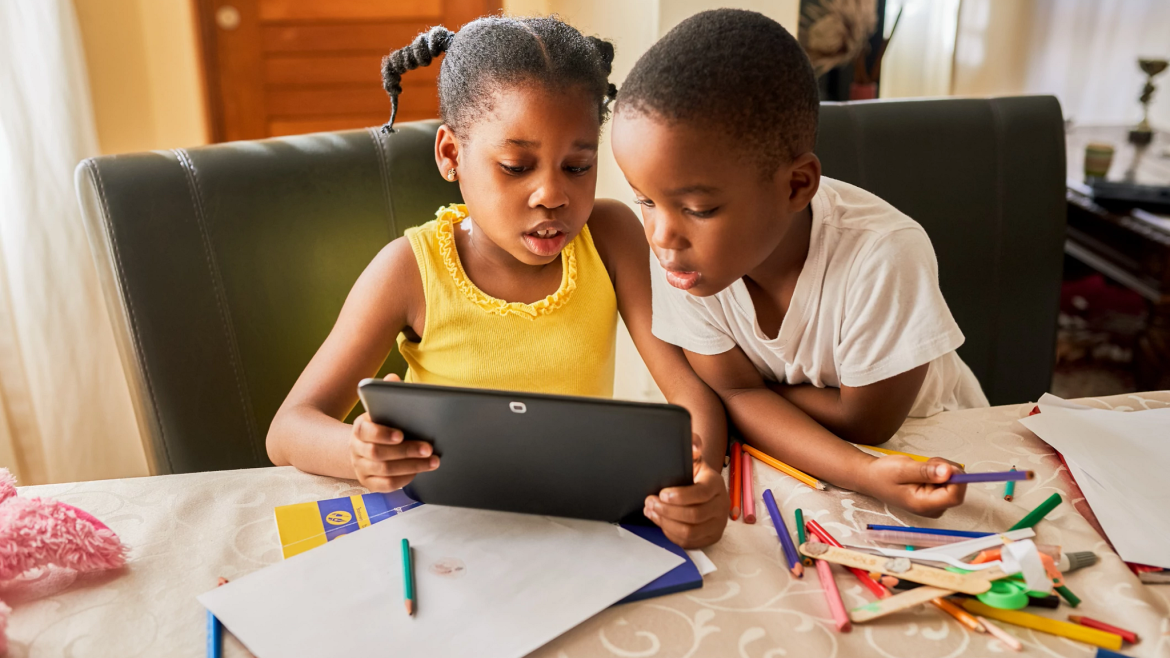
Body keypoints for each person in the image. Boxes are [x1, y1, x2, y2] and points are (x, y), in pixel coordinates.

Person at [266, 17, 728, 547]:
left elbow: (689, 393)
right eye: (515, 166)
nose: (552, 194)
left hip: (573, 527)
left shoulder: (610, 236)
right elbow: (289, 428)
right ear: (450, 155)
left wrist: (699, 482)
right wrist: (358, 451)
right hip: (445, 533)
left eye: (578, 167)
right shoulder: (409, 271)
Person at [611, 9, 989, 517]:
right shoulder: (687, 257)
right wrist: (739, 396)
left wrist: (750, 395)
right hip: (813, 460)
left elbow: (863, 424)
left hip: (930, 452)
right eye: (645, 201)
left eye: (698, 209)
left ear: (796, 185)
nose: (661, 237)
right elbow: (733, 390)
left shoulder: (882, 254)